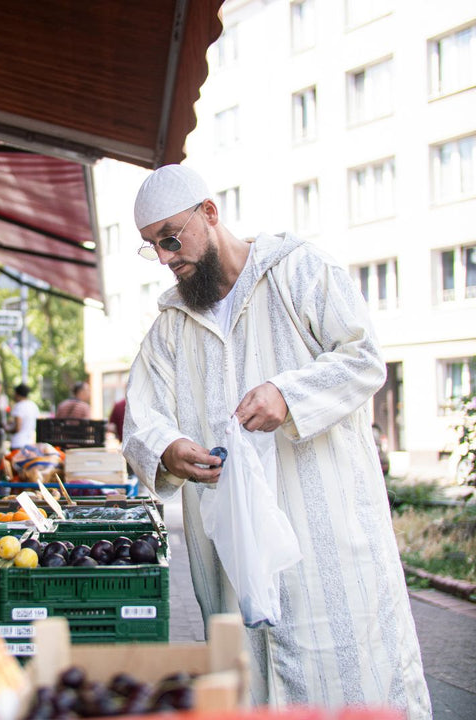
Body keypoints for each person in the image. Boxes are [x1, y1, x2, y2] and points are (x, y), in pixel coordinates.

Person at [121, 164, 431, 718]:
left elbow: (363, 358)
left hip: (330, 545)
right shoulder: (170, 324)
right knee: (251, 689)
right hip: (233, 560)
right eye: (153, 248)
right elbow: (142, 419)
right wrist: (168, 448)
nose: (166, 258)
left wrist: (289, 395)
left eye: (171, 238)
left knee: (351, 686)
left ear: (209, 214)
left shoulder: (300, 272)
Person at [6, 383, 39, 450]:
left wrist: (7, 429)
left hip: (18, 443)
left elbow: (18, 427)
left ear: (18, 394)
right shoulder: (33, 405)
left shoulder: (19, 406)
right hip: (30, 443)